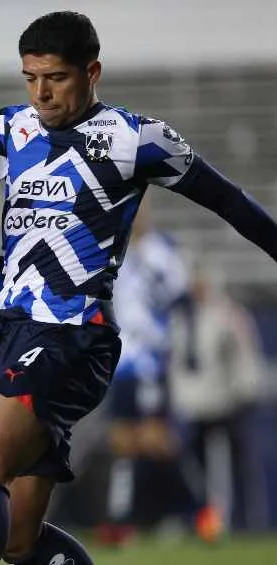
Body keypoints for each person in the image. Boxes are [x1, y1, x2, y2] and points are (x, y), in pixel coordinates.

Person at [0, 11, 277, 565]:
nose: (41, 93)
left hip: (73, 333)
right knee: (19, 540)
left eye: (56, 78)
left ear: (92, 72)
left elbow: (231, 201)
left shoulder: (137, 138)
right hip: (15, 334)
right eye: (30, 78)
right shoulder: (10, 126)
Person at [99, 202, 218, 543]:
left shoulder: (161, 252)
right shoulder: (110, 250)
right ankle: (120, 522)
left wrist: (190, 348)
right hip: (120, 360)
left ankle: (202, 513)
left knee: (156, 439)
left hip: (150, 358)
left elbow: (184, 300)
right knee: (122, 440)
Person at [170, 264, 265, 532]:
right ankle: (201, 521)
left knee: (239, 466)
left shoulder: (229, 313)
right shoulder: (182, 316)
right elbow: (177, 363)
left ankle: (246, 521)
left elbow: (244, 354)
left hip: (227, 400)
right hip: (195, 403)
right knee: (194, 470)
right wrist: (180, 399)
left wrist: (246, 389)